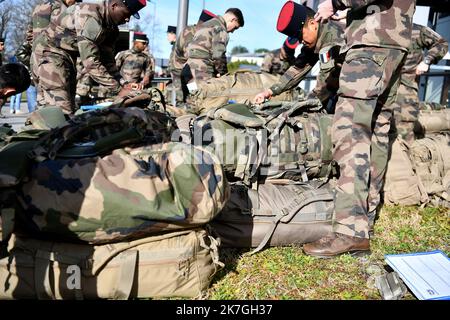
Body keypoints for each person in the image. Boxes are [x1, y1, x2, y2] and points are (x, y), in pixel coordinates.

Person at [303, 0, 415, 258]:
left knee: (350, 133)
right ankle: (365, 219)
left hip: (371, 42)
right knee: (376, 131)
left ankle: (350, 229)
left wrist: (335, 2)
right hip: (393, 39)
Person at [38, 0, 146, 114]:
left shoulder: (111, 29)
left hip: (69, 58)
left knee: (70, 106)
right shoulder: (91, 16)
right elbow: (91, 63)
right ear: (114, 6)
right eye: (126, 14)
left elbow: (108, 62)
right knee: (60, 112)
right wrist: (119, 90)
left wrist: (125, 84)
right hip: (49, 53)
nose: (127, 19)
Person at [253, 2, 345, 111]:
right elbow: (298, 68)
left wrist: (303, 106)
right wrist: (269, 92)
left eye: (300, 36)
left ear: (312, 24)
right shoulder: (314, 39)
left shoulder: (332, 39)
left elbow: (325, 84)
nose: (301, 42)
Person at [392, 23, 448, 143]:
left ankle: (403, 159)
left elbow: (441, 43)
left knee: (403, 129)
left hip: (404, 87)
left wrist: (426, 61)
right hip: (378, 86)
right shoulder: (376, 27)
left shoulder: (416, 30)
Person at [30, 0, 80, 109]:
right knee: (60, 106)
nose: (76, 3)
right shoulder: (59, 7)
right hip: (54, 59)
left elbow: (29, 34)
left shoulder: (38, 7)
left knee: (42, 99)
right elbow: (62, 32)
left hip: (37, 58)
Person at [181, 8, 244, 93]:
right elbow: (219, 55)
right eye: (235, 28)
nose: (232, 31)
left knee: (192, 98)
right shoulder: (220, 29)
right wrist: (223, 74)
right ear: (233, 19)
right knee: (206, 101)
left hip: (189, 71)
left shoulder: (206, 24)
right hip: (203, 72)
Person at [170, 9, 216, 105]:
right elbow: (192, 58)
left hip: (189, 72)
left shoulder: (199, 34)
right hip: (180, 71)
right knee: (183, 99)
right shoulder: (190, 33)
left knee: (193, 98)